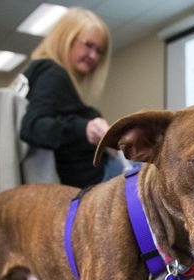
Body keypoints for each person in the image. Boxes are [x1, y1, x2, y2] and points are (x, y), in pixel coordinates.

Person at [20, 7, 124, 188]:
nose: (93, 56)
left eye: (99, 51)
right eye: (88, 45)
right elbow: (34, 127)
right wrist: (85, 128)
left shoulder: (47, 73)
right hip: (89, 185)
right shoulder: (53, 74)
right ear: (66, 39)